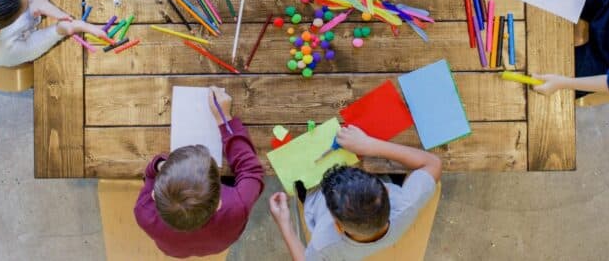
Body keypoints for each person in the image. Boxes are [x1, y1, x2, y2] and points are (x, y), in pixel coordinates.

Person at [268, 125, 442, 260]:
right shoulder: (404, 207)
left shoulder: (324, 244)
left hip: (313, 194)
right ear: (387, 191)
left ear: (336, 224)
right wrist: (370, 145)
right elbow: (433, 163)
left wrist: (286, 225)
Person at [134, 87, 265, 258]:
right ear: (219, 203)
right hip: (218, 241)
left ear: (154, 195)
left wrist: (159, 165)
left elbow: (150, 175)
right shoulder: (237, 206)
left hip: (176, 248)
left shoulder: (143, 212)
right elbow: (251, 170)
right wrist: (224, 119)